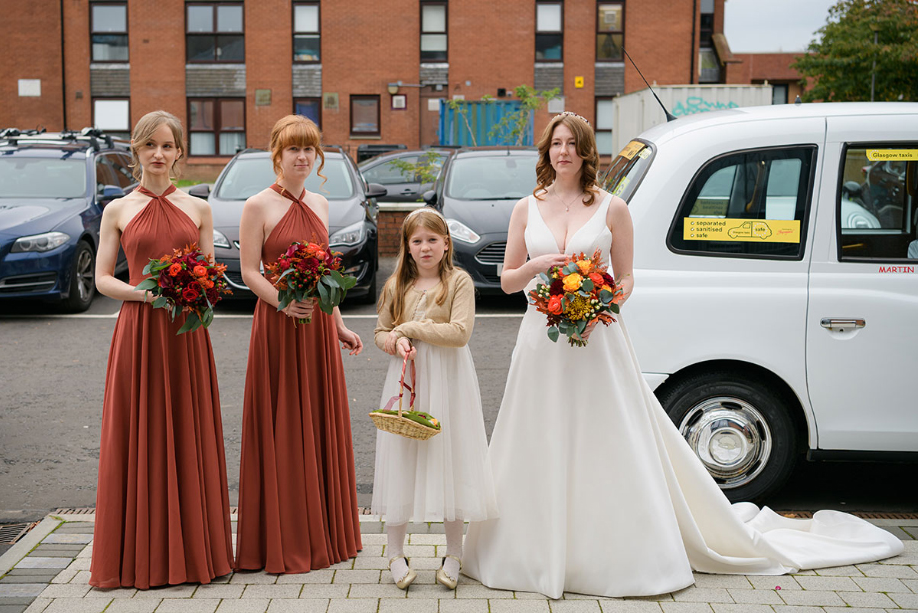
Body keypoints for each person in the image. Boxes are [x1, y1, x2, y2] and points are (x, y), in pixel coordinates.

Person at [462, 111, 904, 599]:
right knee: (535, 435)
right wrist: (540, 265)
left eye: (571, 144)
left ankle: (610, 552)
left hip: (597, 341)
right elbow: (505, 281)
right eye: (555, 145)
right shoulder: (526, 208)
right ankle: (528, 550)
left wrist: (603, 300)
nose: (562, 152)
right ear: (546, 153)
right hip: (540, 341)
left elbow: (628, 277)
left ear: (587, 152)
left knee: (605, 438)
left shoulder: (612, 208)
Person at [90, 110, 233, 588]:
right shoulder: (118, 209)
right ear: (137, 151)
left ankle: (195, 552)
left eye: (167, 146)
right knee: (140, 431)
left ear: (178, 153)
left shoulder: (199, 208)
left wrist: (197, 289)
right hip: (140, 330)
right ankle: (140, 555)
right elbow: (103, 278)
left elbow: (212, 276)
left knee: (187, 430)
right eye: (150, 145)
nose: (159, 154)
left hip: (187, 334)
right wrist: (146, 294)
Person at [234, 115, 363, 574]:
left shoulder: (324, 204)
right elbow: (249, 272)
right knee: (284, 423)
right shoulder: (256, 205)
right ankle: (284, 535)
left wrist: (339, 325)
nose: (303, 157)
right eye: (294, 150)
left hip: (317, 333)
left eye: (309, 149)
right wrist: (283, 305)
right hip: (277, 327)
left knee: (317, 421)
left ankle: (324, 530)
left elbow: (325, 278)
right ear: (277, 154)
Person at [372, 208, 498, 590]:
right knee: (402, 458)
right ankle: (395, 551)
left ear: (446, 243)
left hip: (449, 380)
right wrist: (396, 340)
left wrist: (409, 327)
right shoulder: (396, 285)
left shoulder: (458, 281)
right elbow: (381, 332)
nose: (425, 247)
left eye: (432, 239)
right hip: (409, 377)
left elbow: (460, 333)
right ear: (407, 248)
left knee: (451, 459)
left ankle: (454, 552)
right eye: (417, 241)